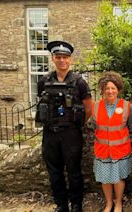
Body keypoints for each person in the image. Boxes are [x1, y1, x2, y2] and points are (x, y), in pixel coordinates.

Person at [36, 41, 92, 212]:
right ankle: (61, 204)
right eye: (58, 57)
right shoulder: (44, 81)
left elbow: (89, 108)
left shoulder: (79, 82)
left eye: (65, 57)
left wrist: (76, 125)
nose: (62, 60)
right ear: (53, 59)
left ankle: (76, 205)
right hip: (50, 133)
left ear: (70, 60)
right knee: (54, 172)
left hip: (70, 133)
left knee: (74, 171)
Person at [90, 72, 132, 212]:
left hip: (120, 150)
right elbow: (92, 127)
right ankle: (109, 203)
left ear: (118, 89)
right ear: (102, 90)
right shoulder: (95, 106)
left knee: (119, 178)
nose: (110, 91)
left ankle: (119, 203)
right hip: (102, 150)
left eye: (113, 88)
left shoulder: (127, 106)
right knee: (105, 179)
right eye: (107, 88)